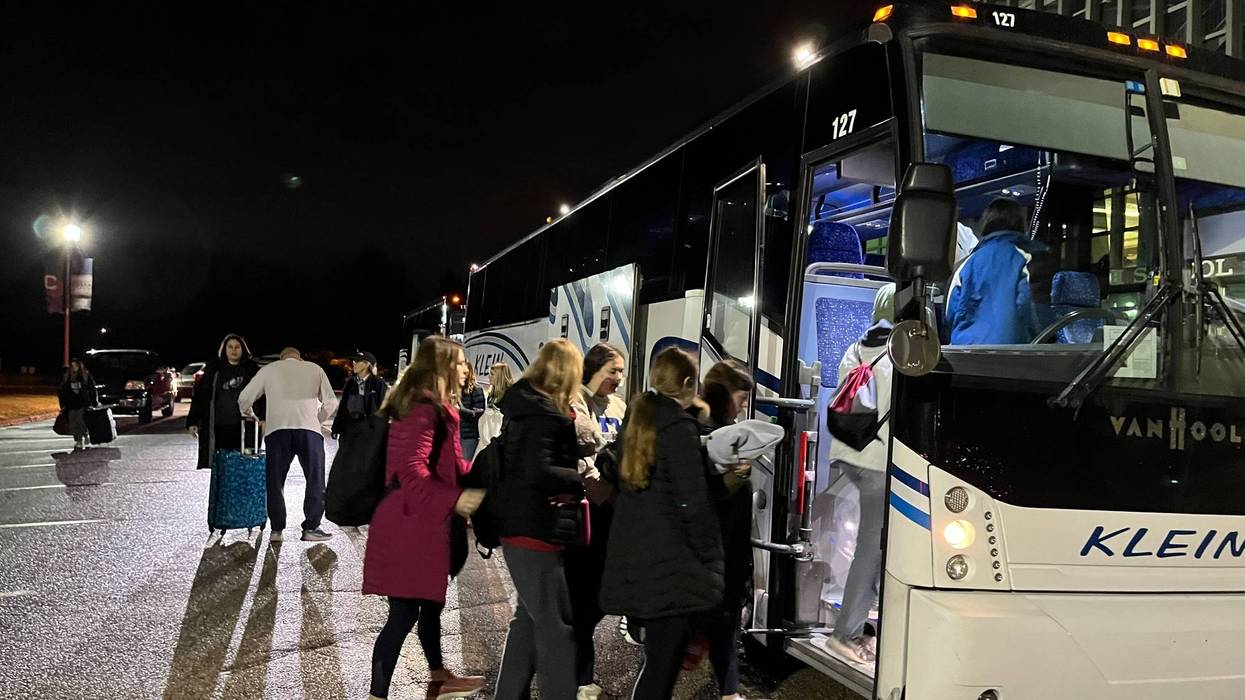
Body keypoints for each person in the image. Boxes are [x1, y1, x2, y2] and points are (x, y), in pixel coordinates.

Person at [363, 336, 487, 700]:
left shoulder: (434, 405)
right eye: (462, 362)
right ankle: (377, 695)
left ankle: (439, 678)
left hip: (419, 521)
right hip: (408, 523)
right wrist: (456, 499)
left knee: (430, 605)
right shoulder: (422, 407)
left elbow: (445, 466)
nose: (467, 368)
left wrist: (479, 471)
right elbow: (411, 468)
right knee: (403, 614)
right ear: (444, 366)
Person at [600, 347, 724, 700]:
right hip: (672, 568)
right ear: (687, 383)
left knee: (656, 663)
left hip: (641, 562)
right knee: (661, 670)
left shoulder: (640, 418)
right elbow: (692, 502)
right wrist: (710, 556)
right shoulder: (678, 428)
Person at [492, 339, 586, 700]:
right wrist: (580, 479)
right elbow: (539, 471)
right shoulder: (545, 415)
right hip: (534, 526)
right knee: (555, 627)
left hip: (519, 523)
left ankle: (508, 694)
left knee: (529, 620)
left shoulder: (524, 408)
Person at [823, 285, 895, 666]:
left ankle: (873, 618)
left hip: (848, 452)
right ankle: (845, 634)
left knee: (881, 542)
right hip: (878, 459)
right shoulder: (902, 350)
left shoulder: (860, 344)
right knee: (872, 547)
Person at [565, 343, 627, 699]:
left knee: (598, 596)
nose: (618, 378)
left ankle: (577, 674)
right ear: (593, 369)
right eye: (613, 371)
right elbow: (577, 456)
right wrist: (603, 490)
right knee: (582, 596)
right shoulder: (575, 402)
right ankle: (578, 678)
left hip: (611, 514)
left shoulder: (619, 406)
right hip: (586, 510)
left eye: (621, 372)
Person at [697, 360, 755, 700]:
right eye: (741, 396)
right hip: (715, 546)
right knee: (718, 623)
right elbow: (707, 493)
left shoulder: (725, 428)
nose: (744, 404)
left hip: (729, 545)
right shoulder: (708, 432)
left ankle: (729, 691)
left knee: (725, 623)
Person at [238, 347, 338, 543]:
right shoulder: (314, 369)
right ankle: (311, 527)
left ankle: (277, 530)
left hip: (277, 431)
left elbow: (244, 399)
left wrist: (253, 416)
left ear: (281, 358)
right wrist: (317, 419)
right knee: (314, 479)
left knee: (275, 481)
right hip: (309, 432)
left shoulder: (269, 370)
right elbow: (331, 403)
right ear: (299, 359)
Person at [187, 334, 265, 534]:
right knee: (222, 470)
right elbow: (200, 397)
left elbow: (263, 396)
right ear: (224, 349)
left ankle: (248, 513)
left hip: (246, 430)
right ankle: (222, 514)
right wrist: (193, 421)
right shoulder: (214, 369)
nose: (233, 350)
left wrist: (264, 417)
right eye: (230, 346)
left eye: (237, 347)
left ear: (243, 349)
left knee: (247, 468)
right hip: (219, 429)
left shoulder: (251, 370)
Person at [945, 198, 1048, 345]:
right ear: (1020, 222)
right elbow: (1032, 307)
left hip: (967, 352)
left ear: (986, 222)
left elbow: (950, 311)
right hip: (1013, 353)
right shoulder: (1029, 256)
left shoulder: (968, 262)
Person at [330, 350, 388, 440]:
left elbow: (383, 409)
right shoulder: (351, 382)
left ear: (367, 364)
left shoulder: (378, 383)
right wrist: (336, 427)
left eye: (357, 361)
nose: (353, 363)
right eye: (353, 361)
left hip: (368, 432)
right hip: (348, 430)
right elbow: (343, 406)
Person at [58, 358, 98, 451]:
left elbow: (92, 389)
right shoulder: (67, 376)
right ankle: (78, 440)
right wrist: (63, 404)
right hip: (71, 403)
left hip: (83, 403)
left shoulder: (85, 375)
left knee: (81, 421)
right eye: (72, 366)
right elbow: (62, 391)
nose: (74, 368)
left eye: (76, 365)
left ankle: (86, 435)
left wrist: (93, 402)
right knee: (73, 423)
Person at [458, 363, 486, 460]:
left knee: (465, 469)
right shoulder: (456, 389)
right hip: (455, 435)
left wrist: (459, 410)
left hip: (468, 436)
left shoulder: (476, 389)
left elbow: (478, 414)